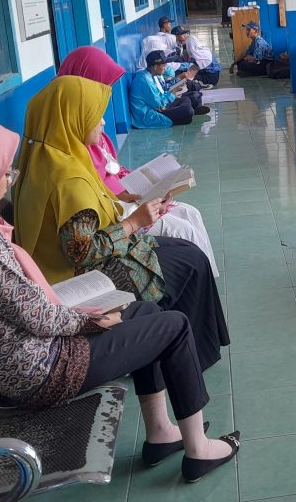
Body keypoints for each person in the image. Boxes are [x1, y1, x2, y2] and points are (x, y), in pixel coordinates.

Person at [0, 117, 238, 482]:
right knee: (174, 325)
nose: (8, 179)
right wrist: (91, 319)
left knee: (143, 311)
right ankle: (198, 449)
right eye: (0, 171)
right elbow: (39, 318)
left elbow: (16, 306)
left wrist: (87, 315)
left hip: (19, 360)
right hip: (39, 370)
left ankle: (161, 432)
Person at [12, 75, 230, 373]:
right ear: (73, 117)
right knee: (191, 262)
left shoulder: (45, 157)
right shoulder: (69, 178)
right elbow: (83, 253)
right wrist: (133, 223)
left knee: (186, 250)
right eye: (95, 115)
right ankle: (189, 358)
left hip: (67, 267)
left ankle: (187, 349)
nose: (103, 122)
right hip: (84, 277)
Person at [57, 47, 218, 277]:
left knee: (191, 213)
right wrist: (137, 203)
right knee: (183, 231)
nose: (104, 97)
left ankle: (207, 281)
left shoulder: (95, 133)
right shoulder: (73, 143)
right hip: (120, 214)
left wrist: (149, 187)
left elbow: (113, 169)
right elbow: (98, 205)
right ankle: (201, 281)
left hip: (129, 198)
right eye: (100, 87)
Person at [131, 51, 210, 128]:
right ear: (155, 67)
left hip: (160, 105)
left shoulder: (154, 75)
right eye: (164, 65)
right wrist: (173, 93)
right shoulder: (145, 81)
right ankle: (189, 111)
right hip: (151, 115)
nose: (165, 68)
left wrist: (175, 88)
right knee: (188, 111)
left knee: (187, 99)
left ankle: (186, 111)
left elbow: (163, 90)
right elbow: (159, 105)